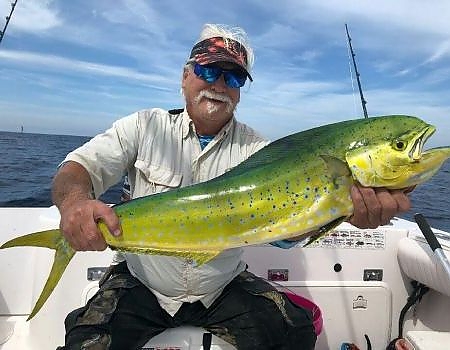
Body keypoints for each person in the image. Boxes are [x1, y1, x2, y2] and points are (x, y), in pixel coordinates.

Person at [52, 24, 411, 350]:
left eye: (233, 77)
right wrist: (74, 203)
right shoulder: (144, 127)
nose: (219, 84)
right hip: (141, 284)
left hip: (220, 288)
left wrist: (340, 213)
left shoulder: (260, 152)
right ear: (185, 75)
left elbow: (282, 234)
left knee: (297, 330)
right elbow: (79, 167)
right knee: (84, 342)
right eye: (208, 70)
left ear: (240, 91)